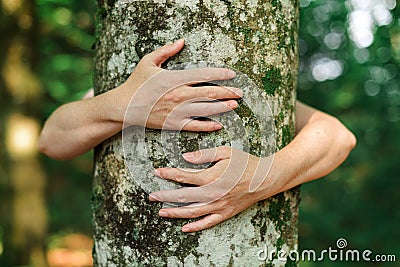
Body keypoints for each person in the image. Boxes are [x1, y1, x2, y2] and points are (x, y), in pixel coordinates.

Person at [39, 39, 356, 233]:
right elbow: (52, 138)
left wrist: (264, 177)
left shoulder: (246, 91)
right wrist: (128, 103)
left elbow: (338, 137)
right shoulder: (112, 87)